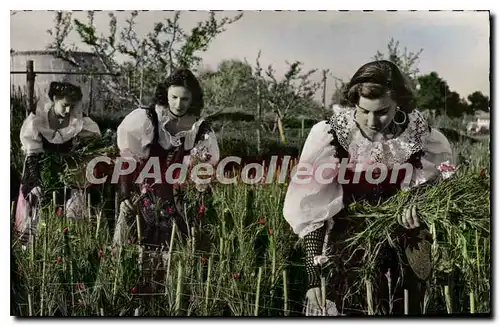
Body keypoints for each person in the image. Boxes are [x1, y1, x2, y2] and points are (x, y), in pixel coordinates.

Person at [282, 60, 453, 316]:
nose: (372, 121)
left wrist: (421, 211)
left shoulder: (424, 140)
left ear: (399, 104)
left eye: (382, 111)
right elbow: (312, 210)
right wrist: (312, 276)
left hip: (402, 256)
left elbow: (441, 192)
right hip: (346, 254)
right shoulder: (330, 137)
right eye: (363, 111)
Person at [113, 67, 220, 250]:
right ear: (166, 96)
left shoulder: (199, 129)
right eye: (174, 97)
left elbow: (204, 166)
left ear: (193, 99)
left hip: (176, 200)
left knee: (174, 253)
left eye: (185, 99)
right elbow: (128, 158)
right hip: (142, 196)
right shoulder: (146, 120)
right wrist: (125, 193)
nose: (179, 104)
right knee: (133, 250)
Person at [15, 81, 101, 245]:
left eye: (72, 106)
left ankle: (66, 251)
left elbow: (93, 138)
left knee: (70, 215)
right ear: (55, 98)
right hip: (40, 173)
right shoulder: (36, 121)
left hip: (65, 176)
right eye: (65, 105)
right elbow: (32, 156)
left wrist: (77, 150)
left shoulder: (77, 120)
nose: (69, 110)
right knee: (37, 218)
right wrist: (36, 182)